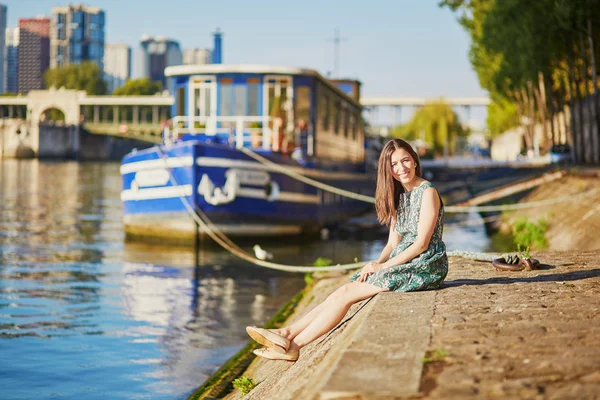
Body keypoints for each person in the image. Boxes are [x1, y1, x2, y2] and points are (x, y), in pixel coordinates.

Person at [246, 138, 448, 361]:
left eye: (406, 161)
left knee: (346, 295)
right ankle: (286, 333)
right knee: (345, 289)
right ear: (387, 170)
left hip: (426, 264)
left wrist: (382, 266)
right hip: (405, 261)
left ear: (415, 161)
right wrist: (373, 266)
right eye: (394, 164)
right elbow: (392, 244)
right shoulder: (400, 196)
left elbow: (422, 244)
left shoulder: (427, 192)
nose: (401, 168)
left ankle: (294, 345)